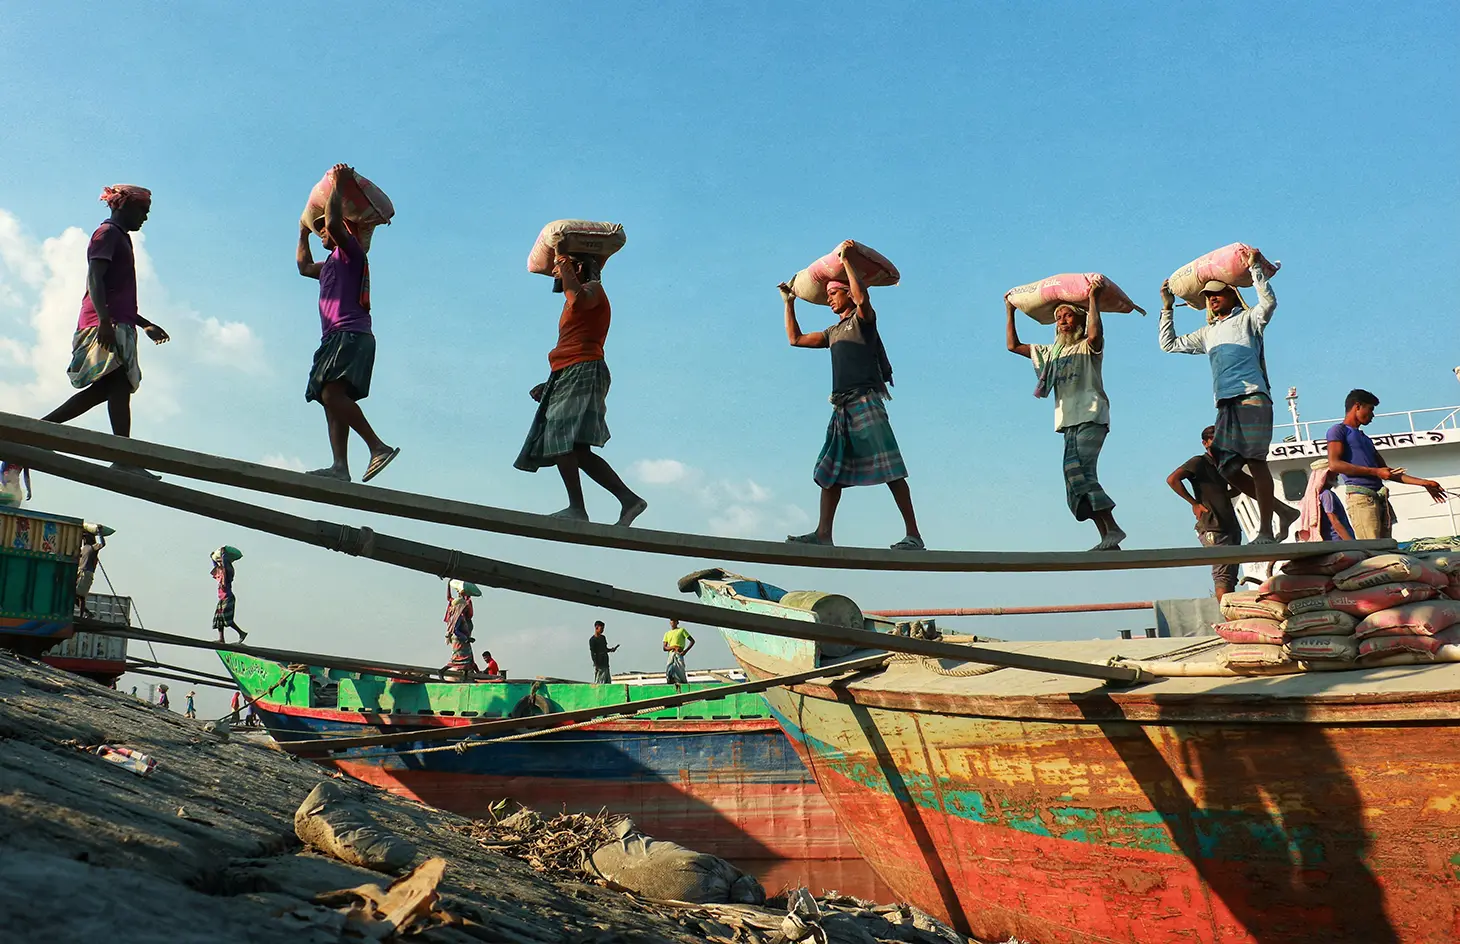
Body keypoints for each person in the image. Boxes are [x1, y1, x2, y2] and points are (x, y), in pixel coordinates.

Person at [781, 241, 923, 549]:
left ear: (847, 290)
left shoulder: (862, 320)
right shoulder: (834, 332)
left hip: (865, 401)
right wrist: (788, 302)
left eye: (834, 293)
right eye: (829, 294)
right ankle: (823, 534)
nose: (830, 299)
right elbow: (795, 339)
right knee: (830, 471)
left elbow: (862, 298)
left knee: (891, 468)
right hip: (842, 407)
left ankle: (914, 535)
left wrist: (846, 262)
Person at [1158, 247, 1297, 543]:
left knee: (1255, 461)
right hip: (1225, 403)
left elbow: (1269, 303)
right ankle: (1283, 511)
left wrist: (1255, 269)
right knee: (1227, 468)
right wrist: (1167, 307)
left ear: (1233, 294)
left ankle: (1265, 530)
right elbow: (1168, 344)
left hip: (1252, 397)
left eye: (1218, 292)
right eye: (1208, 296)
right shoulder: (1207, 333)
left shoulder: (1248, 319)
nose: (1212, 298)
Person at [41, 185, 169, 478]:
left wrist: (143, 323)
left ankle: (43, 429)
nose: (145, 217)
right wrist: (103, 321)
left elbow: (117, 294)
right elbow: (94, 278)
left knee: (107, 388)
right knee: (119, 384)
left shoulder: (121, 238)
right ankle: (121, 456)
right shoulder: (107, 234)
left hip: (115, 322)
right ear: (122, 206)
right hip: (101, 323)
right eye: (142, 210)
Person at [514, 250, 647, 525]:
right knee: (576, 449)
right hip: (571, 370)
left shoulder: (592, 290)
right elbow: (572, 344)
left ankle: (577, 508)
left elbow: (578, 301)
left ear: (575, 268)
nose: (554, 273)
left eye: (559, 268)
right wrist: (551, 381)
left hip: (584, 367)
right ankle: (629, 500)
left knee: (558, 435)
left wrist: (563, 260)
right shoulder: (577, 297)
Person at [296, 163, 399, 484]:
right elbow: (302, 266)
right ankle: (340, 466)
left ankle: (377, 446)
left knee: (331, 394)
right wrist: (302, 229)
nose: (322, 230)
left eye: (324, 226)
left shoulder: (351, 253)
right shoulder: (327, 266)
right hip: (335, 338)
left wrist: (338, 184)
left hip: (350, 334)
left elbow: (337, 224)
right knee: (331, 400)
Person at [1006, 278, 1126, 550]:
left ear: (1079, 321)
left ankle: (1114, 529)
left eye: (1068, 315)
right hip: (1067, 422)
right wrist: (1010, 310)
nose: (1062, 321)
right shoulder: (1052, 354)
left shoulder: (1087, 346)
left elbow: (1096, 335)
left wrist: (1093, 298)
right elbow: (1013, 346)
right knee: (1075, 480)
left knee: (1081, 472)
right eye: (1058, 317)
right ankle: (1108, 535)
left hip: (1091, 415)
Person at [1325, 388, 1449, 539]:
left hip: (1380, 498)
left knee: (1385, 548)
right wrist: (1376, 472)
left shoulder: (1365, 438)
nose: (1373, 415)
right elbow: (1335, 464)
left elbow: (1388, 472)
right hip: (1362, 499)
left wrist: (1424, 483)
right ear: (1357, 406)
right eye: (1370, 409)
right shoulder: (1338, 431)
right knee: (1372, 551)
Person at [1167, 426, 1244, 600]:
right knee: (1223, 578)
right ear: (1205, 443)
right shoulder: (1199, 462)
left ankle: (1231, 618)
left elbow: (1235, 488)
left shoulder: (1224, 465)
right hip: (1214, 526)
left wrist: (1228, 493)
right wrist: (1194, 504)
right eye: (1214, 440)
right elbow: (1173, 479)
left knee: (1229, 577)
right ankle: (1229, 622)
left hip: (1229, 525)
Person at [442, 582, 479, 679]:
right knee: (459, 659)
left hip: (463, 638)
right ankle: (442, 671)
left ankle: (470, 675)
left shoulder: (461, 614)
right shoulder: (458, 616)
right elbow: (456, 630)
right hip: (460, 639)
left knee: (468, 658)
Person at [211, 552, 247, 643]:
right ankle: (221, 638)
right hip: (222, 599)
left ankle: (241, 633)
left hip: (228, 598)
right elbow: (216, 567)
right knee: (219, 619)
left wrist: (223, 554)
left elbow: (225, 563)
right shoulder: (221, 573)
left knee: (226, 618)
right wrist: (212, 558)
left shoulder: (228, 572)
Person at [76, 531, 105, 616]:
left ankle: (84, 614)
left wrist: (100, 533)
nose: (84, 539)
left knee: (80, 596)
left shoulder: (93, 547)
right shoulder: (83, 548)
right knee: (77, 596)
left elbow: (102, 544)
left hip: (86, 573)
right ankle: (86, 613)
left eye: (85, 537)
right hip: (80, 572)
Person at [663, 619, 695, 684]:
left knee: (680, 670)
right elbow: (664, 648)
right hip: (671, 654)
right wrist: (673, 647)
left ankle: (683, 684)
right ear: (670, 622)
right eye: (672, 621)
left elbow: (692, 641)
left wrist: (685, 651)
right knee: (669, 671)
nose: (673, 622)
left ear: (677, 622)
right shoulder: (667, 633)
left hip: (679, 654)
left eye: (674, 621)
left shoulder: (681, 630)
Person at [589, 619, 619, 684]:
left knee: (607, 682)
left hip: (605, 663)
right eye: (601, 628)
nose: (602, 630)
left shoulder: (603, 638)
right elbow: (593, 653)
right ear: (596, 627)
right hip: (599, 665)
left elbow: (604, 649)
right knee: (600, 683)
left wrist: (611, 650)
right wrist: (596, 665)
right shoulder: (592, 640)